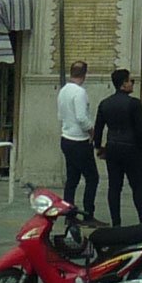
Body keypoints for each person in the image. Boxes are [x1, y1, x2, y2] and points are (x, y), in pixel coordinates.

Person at [93, 69, 142, 225]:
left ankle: (116, 222)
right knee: (137, 187)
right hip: (132, 149)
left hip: (113, 148)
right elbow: (141, 129)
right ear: (124, 84)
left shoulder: (105, 104)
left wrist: (98, 146)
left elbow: (98, 128)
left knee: (114, 187)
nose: (132, 84)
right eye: (131, 81)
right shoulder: (134, 104)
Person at [57, 61, 100, 215]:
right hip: (79, 141)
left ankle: (69, 212)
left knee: (72, 179)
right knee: (92, 178)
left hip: (66, 138)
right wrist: (91, 131)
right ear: (84, 74)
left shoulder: (63, 90)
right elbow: (81, 117)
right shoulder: (80, 92)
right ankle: (89, 213)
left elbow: (60, 115)